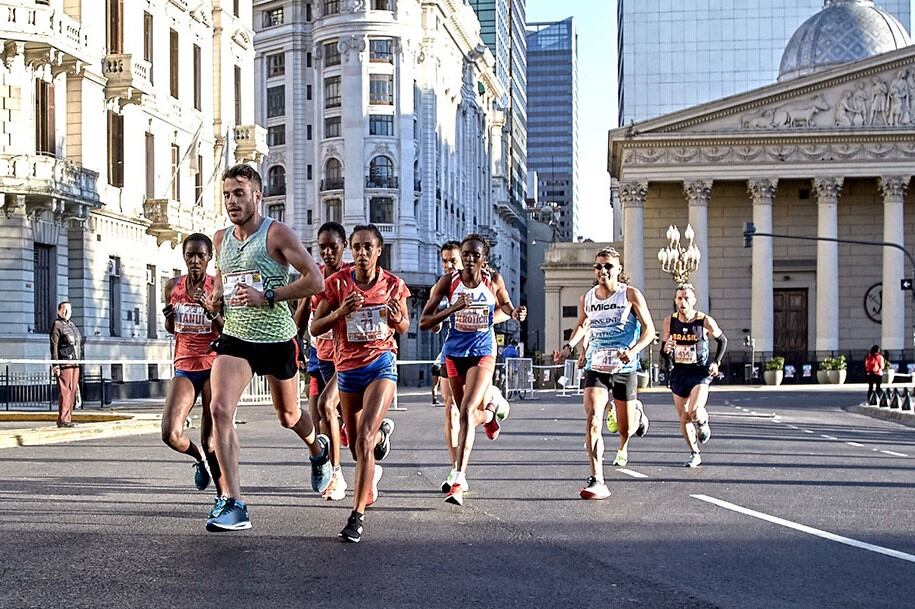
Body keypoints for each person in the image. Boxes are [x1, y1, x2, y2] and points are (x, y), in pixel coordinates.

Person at [202, 164, 331, 532]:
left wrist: (269, 295)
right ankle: (234, 502)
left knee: (288, 416)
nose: (232, 201)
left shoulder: (277, 234)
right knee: (219, 408)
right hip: (237, 337)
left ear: (258, 195)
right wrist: (216, 299)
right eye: (227, 194)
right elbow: (224, 279)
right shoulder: (220, 238)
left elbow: (315, 280)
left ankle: (318, 450)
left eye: (239, 193)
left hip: (277, 338)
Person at [310, 224, 409, 543]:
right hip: (347, 369)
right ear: (351, 250)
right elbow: (314, 327)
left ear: (379, 250)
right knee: (356, 445)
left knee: (363, 440)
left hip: (380, 364)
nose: (362, 253)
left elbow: (404, 325)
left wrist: (396, 319)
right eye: (357, 247)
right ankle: (382, 435)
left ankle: (357, 516)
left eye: (369, 247)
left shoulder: (394, 285)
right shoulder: (336, 284)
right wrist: (341, 311)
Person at [419, 234, 525, 507]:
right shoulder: (447, 283)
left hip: (483, 352)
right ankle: (489, 413)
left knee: (464, 410)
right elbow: (424, 321)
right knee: (460, 409)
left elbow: (506, 304)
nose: (468, 259)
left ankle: (458, 478)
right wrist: (451, 310)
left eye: (474, 255)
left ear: (483, 259)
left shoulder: (493, 280)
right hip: (454, 353)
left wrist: (516, 313)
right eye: (465, 254)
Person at [558, 247, 654, 500]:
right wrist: (569, 348)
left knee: (626, 428)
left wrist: (633, 351)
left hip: (624, 367)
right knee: (592, 419)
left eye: (608, 266)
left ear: (618, 269)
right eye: (599, 266)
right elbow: (581, 325)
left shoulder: (630, 295)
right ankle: (597, 478)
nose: (603, 270)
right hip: (596, 366)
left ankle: (636, 414)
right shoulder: (587, 298)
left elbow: (649, 331)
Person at [161, 233, 225, 509]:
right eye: (190, 255)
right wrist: (170, 319)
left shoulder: (216, 288)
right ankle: (198, 459)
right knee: (170, 433)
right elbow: (171, 329)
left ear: (209, 258)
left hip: (212, 364)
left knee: (211, 439)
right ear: (184, 257)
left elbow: (228, 329)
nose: (195, 260)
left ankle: (223, 497)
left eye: (201, 255)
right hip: (185, 365)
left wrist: (210, 311)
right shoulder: (171, 287)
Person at [293, 221, 349, 501]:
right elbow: (301, 318)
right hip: (319, 358)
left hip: (345, 361)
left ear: (343, 247)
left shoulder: (350, 278)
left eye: (333, 247)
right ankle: (329, 471)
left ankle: (337, 475)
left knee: (333, 413)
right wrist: (295, 347)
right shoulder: (313, 276)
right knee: (318, 424)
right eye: (322, 247)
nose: (327, 252)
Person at [660, 283, 727, 468]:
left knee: (694, 411)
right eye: (679, 298)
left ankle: (703, 421)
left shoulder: (704, 320)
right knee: (684, 417)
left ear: (694, 301)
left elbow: (722, 340)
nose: (683, 302)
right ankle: (695, 453)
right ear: (675, 300)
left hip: (700, 372)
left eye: (686, 298)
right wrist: (666, 350)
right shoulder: (669, 321)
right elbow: (664, 351)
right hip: (679, 372)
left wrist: (716, 362)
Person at [49, 301, 81, 428]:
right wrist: (56, 364)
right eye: (64, 310)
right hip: (64, 362)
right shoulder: (57, 325)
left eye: (69, 310)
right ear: (59, 311)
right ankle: (63, 419)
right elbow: (54, 346)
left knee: (72, 390)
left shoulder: (72, 325)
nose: (67, 313)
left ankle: (68, 418)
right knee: (65, 390)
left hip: (75, 362)